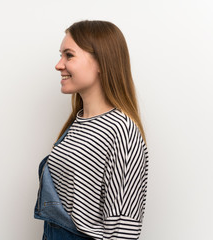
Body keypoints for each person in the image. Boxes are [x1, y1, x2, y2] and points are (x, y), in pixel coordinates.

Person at [34, 20, 149, 240]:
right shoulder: (77, 124)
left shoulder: (122, 131)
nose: (59, 65)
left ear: (101, 62)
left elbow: (123, 228)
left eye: (69, 55)